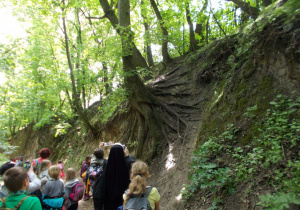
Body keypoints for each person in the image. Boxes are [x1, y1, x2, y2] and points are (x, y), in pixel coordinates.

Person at [103, 143, 130, 210]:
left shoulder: (106, 164)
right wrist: (127, 156)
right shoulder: (126, 164)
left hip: (109, 199)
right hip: (122, 198)